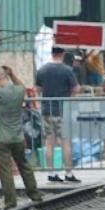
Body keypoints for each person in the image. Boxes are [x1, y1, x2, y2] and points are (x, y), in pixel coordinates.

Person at [0, 64, 43, 210]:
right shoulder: (18, 91)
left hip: (0, 138)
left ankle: (10, 202)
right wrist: (13, 73)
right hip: (18, 137)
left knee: (5, 170)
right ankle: (34, 194)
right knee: (24, 165)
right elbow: (22, 86)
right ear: (7, 77)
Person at [34, 46, 81, 184]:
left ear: (52, 53)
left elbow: (37, 89)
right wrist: (70, 97)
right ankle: (69, 173)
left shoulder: (42, 70)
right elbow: (76, 88)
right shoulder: (67, 70)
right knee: (66, 143)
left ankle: (51, 173)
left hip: (47, 111)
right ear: (62, 54)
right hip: (63, 111)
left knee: (49, 142)